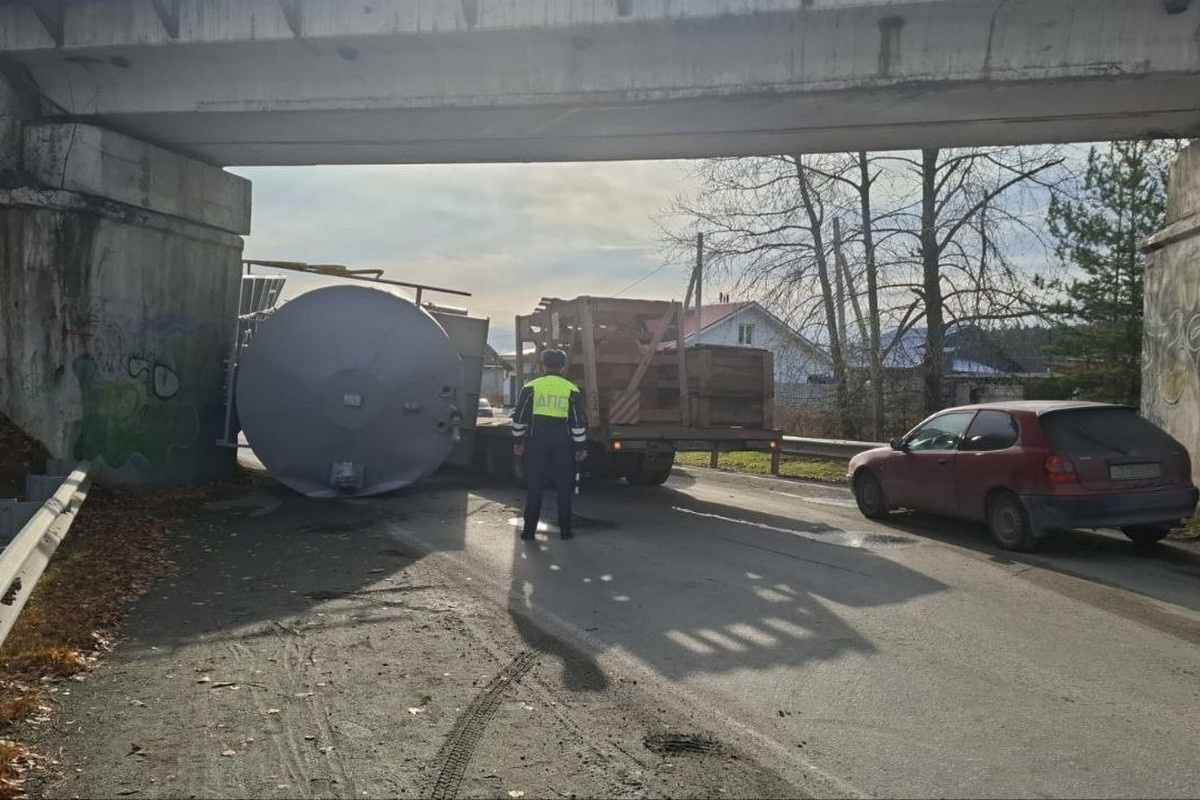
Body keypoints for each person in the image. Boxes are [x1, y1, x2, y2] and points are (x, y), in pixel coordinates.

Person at [512, 349, 588, 541]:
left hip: (537, 443)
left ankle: (529, 532)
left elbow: (519, 418)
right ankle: (565, 532)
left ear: (543, 366)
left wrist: (518, 442)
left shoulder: (531, 387)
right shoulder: (571, 389)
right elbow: (578, 422)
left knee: (535, 488)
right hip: (562, 445)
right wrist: (580, 447)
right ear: (562, 367)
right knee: (563, 489)